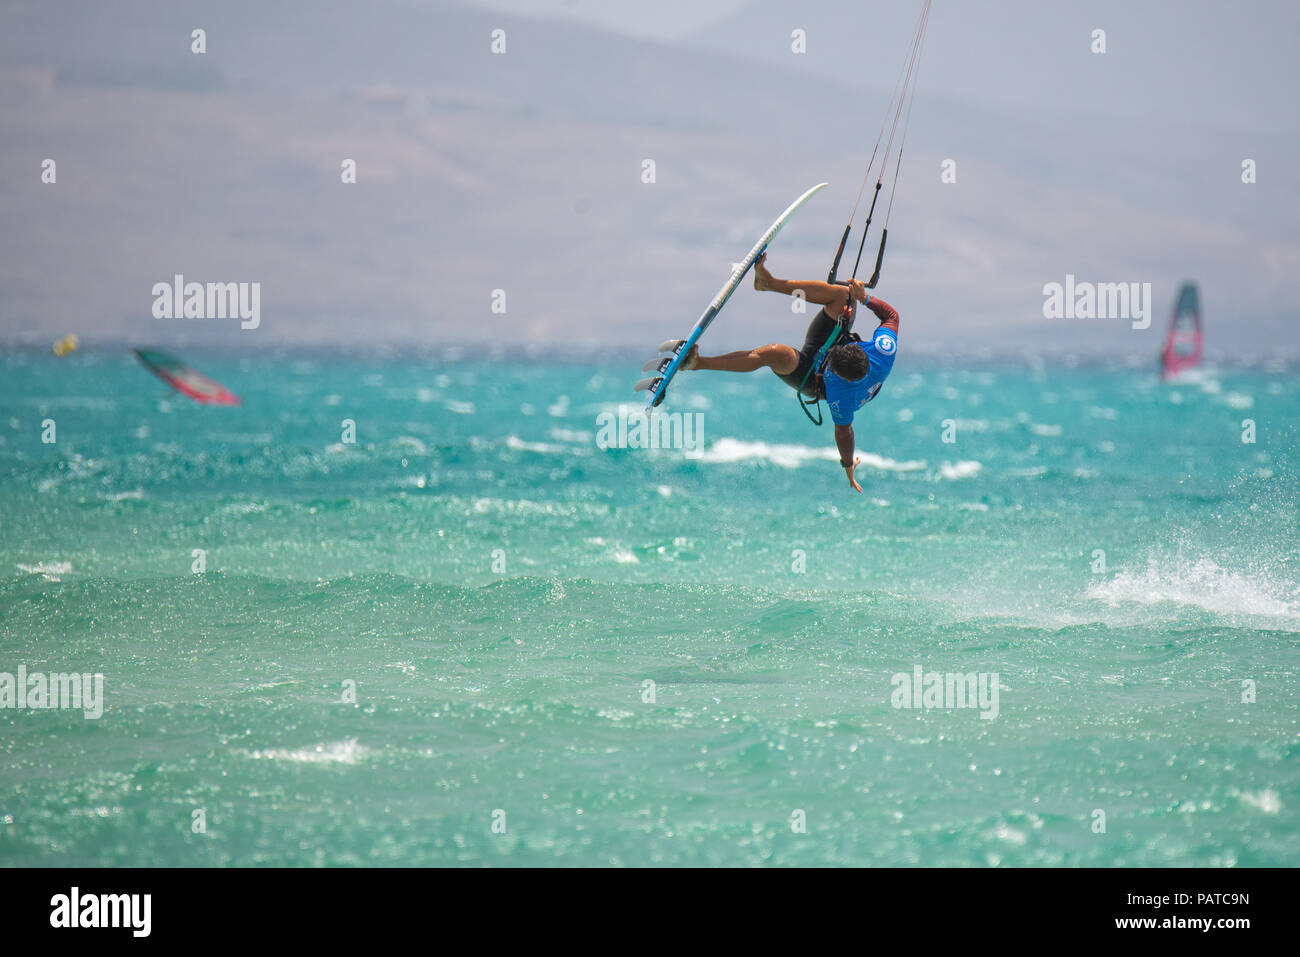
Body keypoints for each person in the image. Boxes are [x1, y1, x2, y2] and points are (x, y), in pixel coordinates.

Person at [678, 255, 900, 493]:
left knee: (776, 353)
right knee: (843, 294)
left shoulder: (842, 399)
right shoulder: (883, 349)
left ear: (841, 377)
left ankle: (697, 363)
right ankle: (767, 283)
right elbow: (891, 316)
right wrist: (863, 298)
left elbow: (844, 433)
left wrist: (848, 467)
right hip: (831, 342)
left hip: (812, 378)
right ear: (859, 349)